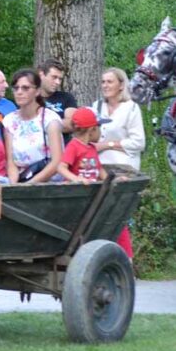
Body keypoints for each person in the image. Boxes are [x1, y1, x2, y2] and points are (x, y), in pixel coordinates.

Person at [93, 67, 145, 258]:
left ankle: (125, 259)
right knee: (98, 216)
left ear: (121, 85)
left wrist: (108, 145)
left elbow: (138, 142)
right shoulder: (97, 106)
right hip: (99, 169)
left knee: (117, 217)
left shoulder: (130, 108)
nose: (105, 85)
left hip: (124, 169)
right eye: (103, 82)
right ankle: (103, 257)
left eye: (110, 82)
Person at [4, 68, 64, 184]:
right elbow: (11, 162)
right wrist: (14, 186)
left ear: (37, 91)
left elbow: (57, 161)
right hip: (21, 180)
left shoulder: (50, 119)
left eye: (25, 88)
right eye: (16, 88)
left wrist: (29, 185)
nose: (19, 92)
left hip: (49, 184)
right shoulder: (9, 121)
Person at [58, 107, 110, 184]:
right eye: (99, 127)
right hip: (75, 190)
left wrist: (112, 181)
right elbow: (61, 167)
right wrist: (75, 179)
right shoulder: (73, 146)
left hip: (90, 190)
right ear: (92, 129)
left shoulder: (92, 148)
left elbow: (99, 170)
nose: (101, 132)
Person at [38, 59, 77, 137]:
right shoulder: (31, 99)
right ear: (41, 75)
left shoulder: (66, 98)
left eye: (60, 79)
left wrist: (37, 125)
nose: (58, 82)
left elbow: (71, 125)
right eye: (54, 77)